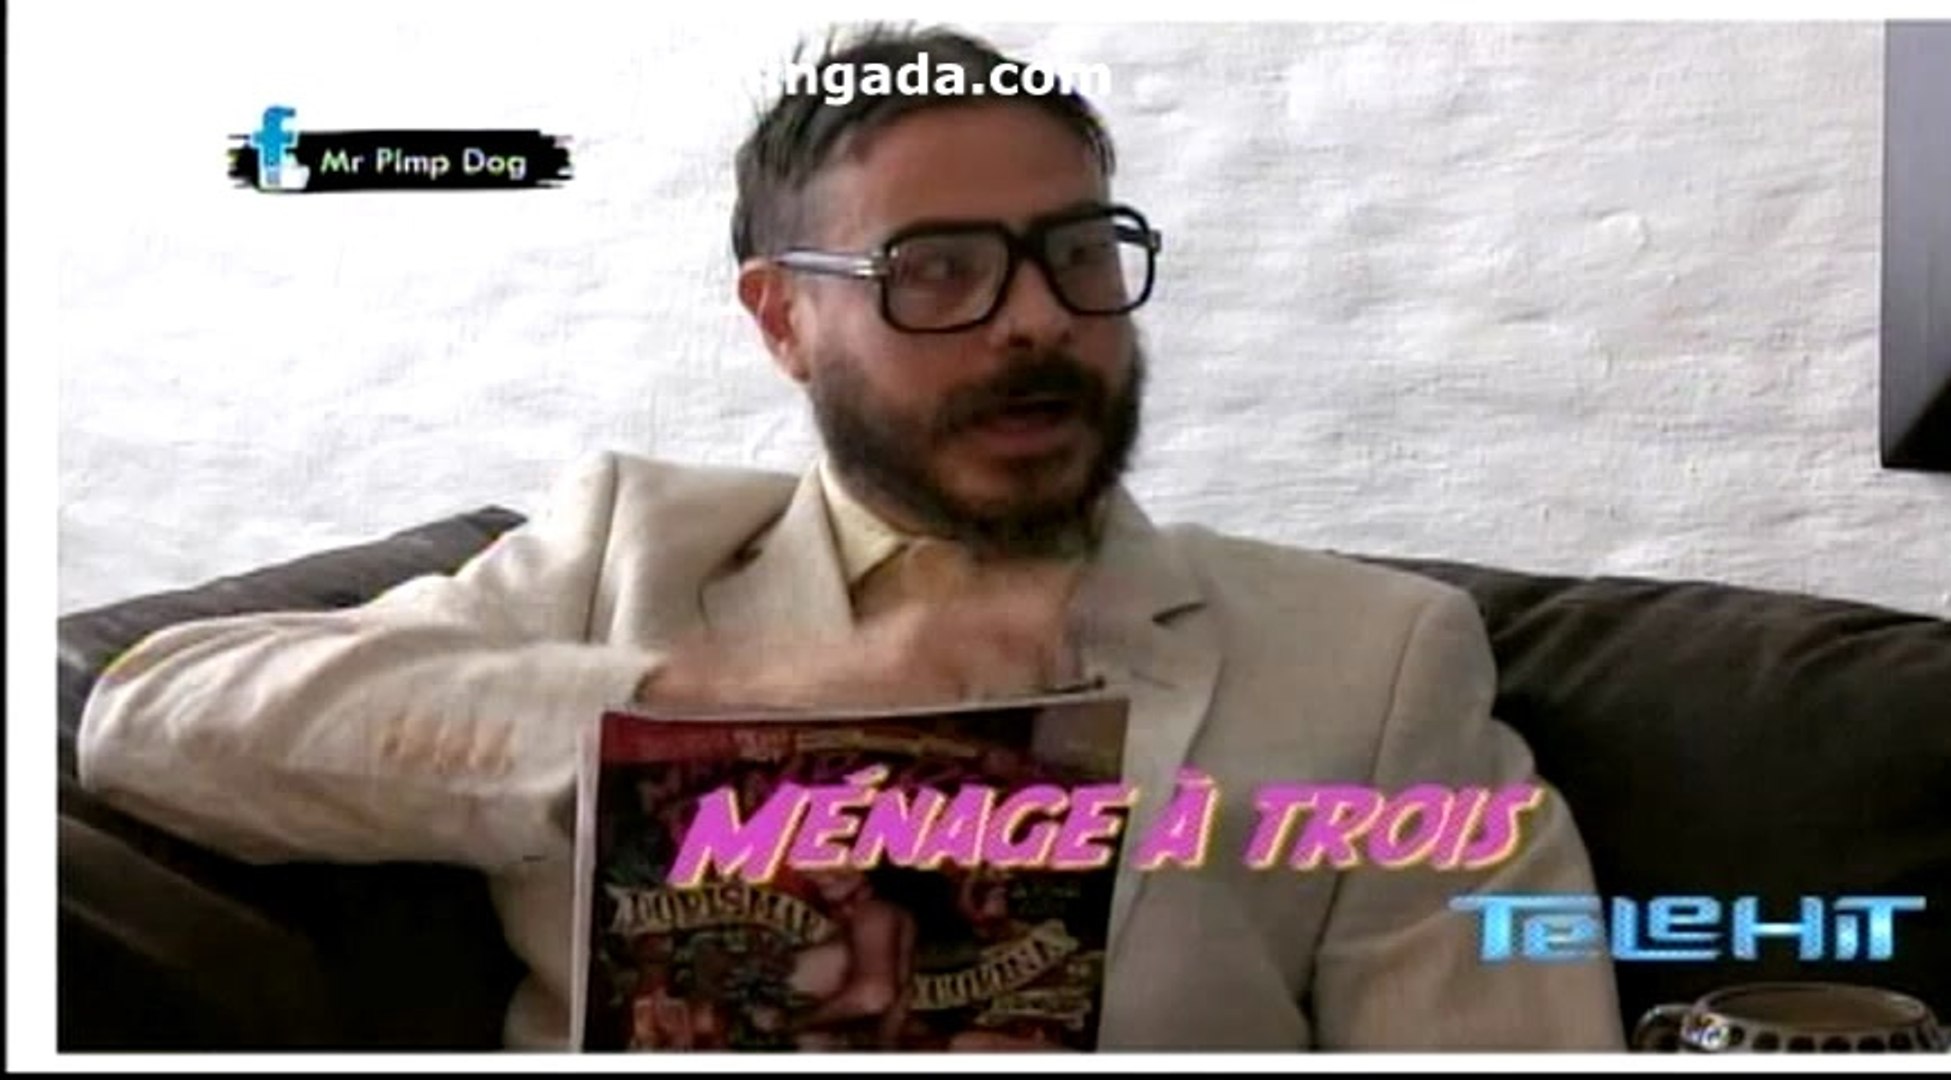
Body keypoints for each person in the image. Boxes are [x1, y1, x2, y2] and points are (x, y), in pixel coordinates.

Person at [76, 24, 1625, 1051]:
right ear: (783, 321)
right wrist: (722, 705)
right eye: (937, 270)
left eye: (1076, 253)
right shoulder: (628, 554)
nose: (1034, 321)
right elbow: (152, 720)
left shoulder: (1371, 662)